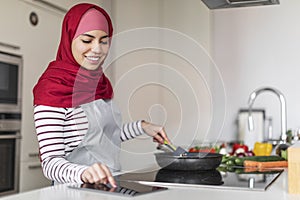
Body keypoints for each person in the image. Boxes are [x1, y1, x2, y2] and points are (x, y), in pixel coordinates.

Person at [32, 3, 170, 187]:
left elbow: (105, 136)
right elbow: (50, 163)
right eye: (87, 40)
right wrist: (84, 173)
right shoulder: (53, 88)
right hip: (73, 192)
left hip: (110, 187)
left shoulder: (99, 83)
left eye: (104, 41)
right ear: (69, 38)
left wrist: (142, 127)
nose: (97, 49)